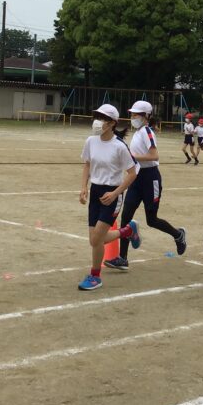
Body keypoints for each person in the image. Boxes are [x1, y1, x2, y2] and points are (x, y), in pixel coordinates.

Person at [108, 101, 187, 272]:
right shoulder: (137, 133)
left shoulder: (147, 132)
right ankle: (123, 258)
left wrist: (132, 156)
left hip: (151, 179)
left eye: (136, 114)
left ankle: (178, 234)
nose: (133, 117)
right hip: (136, 178)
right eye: (132, 114)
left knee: (152, 220)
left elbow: (154, 155)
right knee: (126, 216)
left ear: (146, 116)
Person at [78, 104, 140, 290]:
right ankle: (128, 231)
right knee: (94, 239)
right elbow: (87, 165)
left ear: (112, 123)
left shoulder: (119, 146)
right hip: (96, 192)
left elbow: (132, 173)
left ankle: (95, 276)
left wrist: (115, 193)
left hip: (112, 194)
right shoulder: (91, 141)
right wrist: (84, 187)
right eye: (97, 117)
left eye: (103, 118)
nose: (98, 122)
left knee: (96, 240)